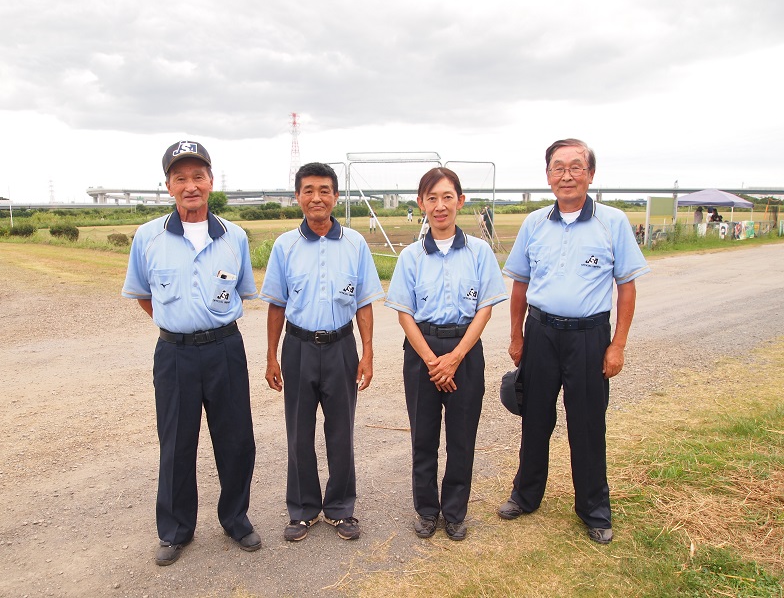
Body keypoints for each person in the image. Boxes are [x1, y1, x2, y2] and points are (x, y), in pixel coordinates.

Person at [498, 139, 650, 545]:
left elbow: (627, 288)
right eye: (558, 167)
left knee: (587, 424)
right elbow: (520, 285)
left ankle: (594, 510)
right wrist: (517, 336)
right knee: (534, 419)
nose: (566, 175)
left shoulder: (613, 222)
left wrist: (617, 345)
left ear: (590, 174)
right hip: (540, 334)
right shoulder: (534, 224)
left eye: (575, 167)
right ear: (548, 175)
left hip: (589, 337)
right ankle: (525, 496)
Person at [122, 140, 261, 566]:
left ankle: (235, 519)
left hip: (225, 349)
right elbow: (143, 295)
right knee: (176, 443)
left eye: (198, 176)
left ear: (211, 181)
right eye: (180, 178)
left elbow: (242, 291)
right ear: (168, 186)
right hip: (175, 354)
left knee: (236, 440)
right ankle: (176, 530)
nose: (190, 186)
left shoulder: (234, 237)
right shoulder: (148, 237)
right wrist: (177, 322)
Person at [260, 162, 384, 542]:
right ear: (298, 196)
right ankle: (303, 510)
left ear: (336, 196)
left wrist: (367, 353)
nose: (317, 198)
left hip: (341, 348)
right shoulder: (285, 246)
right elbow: (276, 305)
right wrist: (271, 356)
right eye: (309, 190)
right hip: (297, 347)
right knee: (299, 433)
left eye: (324, 190)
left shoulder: (355, 244)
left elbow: (364, 303)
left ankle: (341, 509)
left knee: (341, 431)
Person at [385, 167, 507, 541]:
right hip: (422, 352)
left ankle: (454, 512)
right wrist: (432, 360)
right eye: (432, 198)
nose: (440, 206)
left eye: (447, 197)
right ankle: (426, 511)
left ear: (460, 201)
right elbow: (404, 314)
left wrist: (454, 358)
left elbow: (484, 309)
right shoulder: (410, 256)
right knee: (424, 438)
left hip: (464, 351)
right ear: (421, 203)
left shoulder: (479, 252)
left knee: (461, 438)